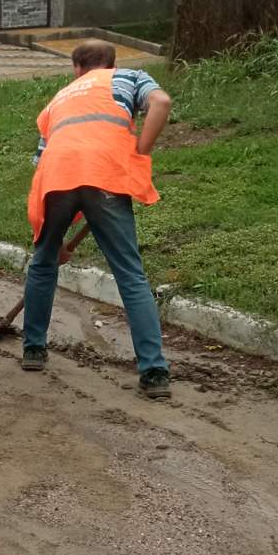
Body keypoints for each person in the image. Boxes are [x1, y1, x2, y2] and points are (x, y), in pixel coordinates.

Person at [22, 41, 173, 398]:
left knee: (43, 263)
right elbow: (162, 102)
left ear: (77, 69)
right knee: (130, 274)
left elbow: (43, 164)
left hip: (56, 178)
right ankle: (153, 371)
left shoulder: (58, 99)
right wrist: (140, 152)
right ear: (111, 63)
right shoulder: (129, 77)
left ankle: (33, 349)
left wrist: (53, 239)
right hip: (106, 176)